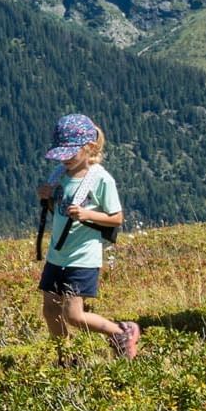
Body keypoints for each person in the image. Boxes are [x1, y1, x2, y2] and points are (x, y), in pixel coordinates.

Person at [36, 114, 139, 362]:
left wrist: (86, 214)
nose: (66, 159)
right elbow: (59, 213)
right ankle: (65, 358)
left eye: (71, 153)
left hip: (82, 258)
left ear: (89, 147)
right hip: (56, 255)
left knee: (73, 315)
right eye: (62, 154)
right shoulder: (59, 175)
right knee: (50, 311)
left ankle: (120, 332)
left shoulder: (101, 179)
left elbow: (116, 218)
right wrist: (47, 198)